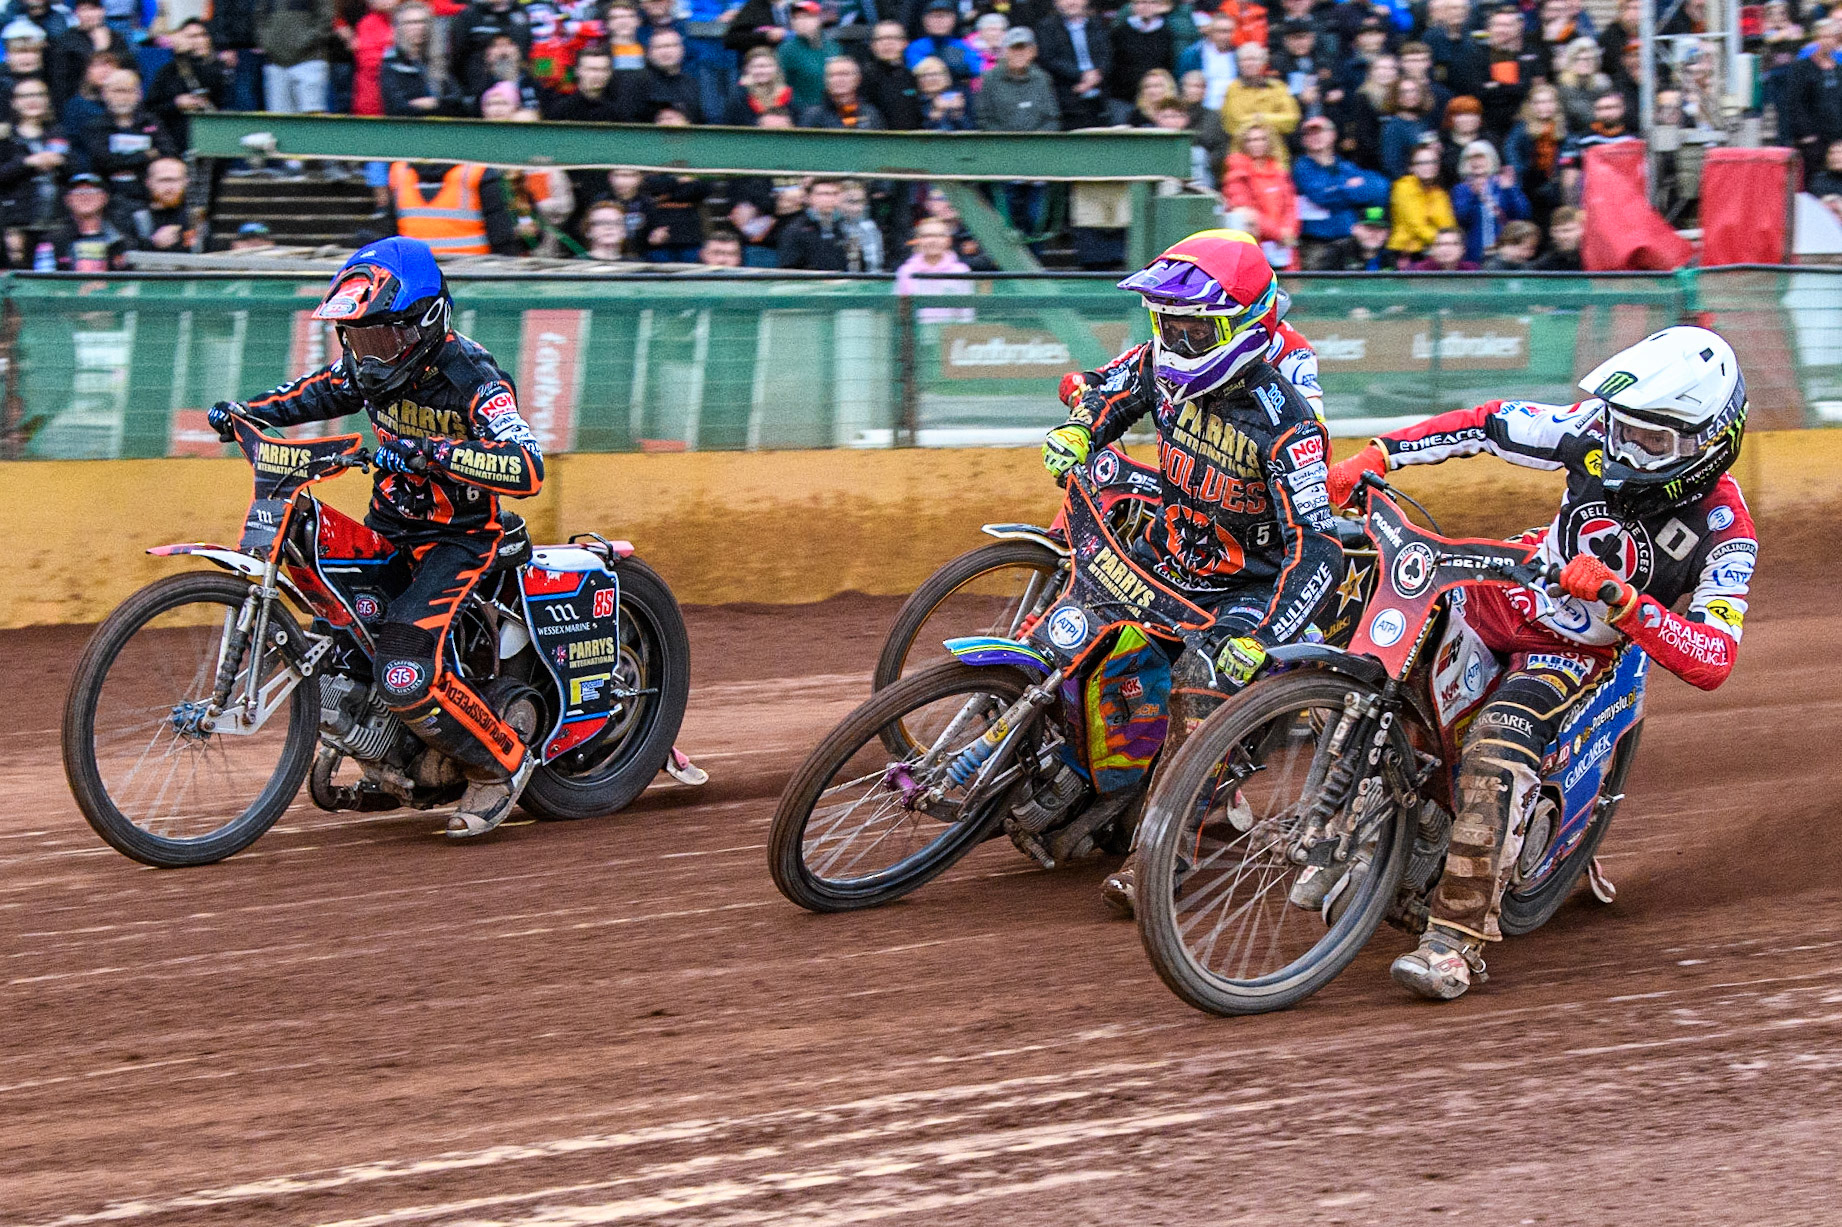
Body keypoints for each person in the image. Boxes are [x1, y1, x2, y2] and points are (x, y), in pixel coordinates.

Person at [1326, 326, 1756, 1000]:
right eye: (1625, 426)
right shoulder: (1591, 428)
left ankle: (1453, 943)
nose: (1627, 444)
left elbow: (1716, 654)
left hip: (1573, 651)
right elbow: (1486, 425)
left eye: (1651, 439)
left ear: (1707, 444)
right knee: (1381, 629)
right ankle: (1358, 808)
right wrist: (1381, 453)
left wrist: (1626, 602)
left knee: (1499, 746)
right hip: (1507, 588)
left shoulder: (1726, 530)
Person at [1041, 229, 1339, 916]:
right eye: (1167, 322)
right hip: (1168, 555)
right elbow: (1112, 393)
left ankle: (1160, 856)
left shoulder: (1284, 422)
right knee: (1075, 634)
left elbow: (1317, 545)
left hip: (1247, 590)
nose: (1174, 338)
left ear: (1238, 329)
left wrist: (1264, 634)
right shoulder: (1161, 361)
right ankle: (1076, 776)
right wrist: (1083, 429)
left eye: (1192, 328)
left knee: (1202, 690)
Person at [207, 239, 546, 838]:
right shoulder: (366, 367)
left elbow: (527, 466)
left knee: (403, 669)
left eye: (381, 338)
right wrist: (243, 411)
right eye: (357, 338)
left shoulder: (474, 377)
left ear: (425, 323)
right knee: (337, 642)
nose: (368, 353)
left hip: (459, 539)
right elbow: (307, 395)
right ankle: (393, 754)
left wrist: (441, 453)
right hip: (390, 529)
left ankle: (500, 765)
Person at [1292, 114, 1388, 266]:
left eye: (1319, 131)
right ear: (1303, 140)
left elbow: (1380, 188)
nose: (1314, 137)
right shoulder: (1302, 167)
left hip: (1349, 244)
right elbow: (1322, 195)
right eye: (1309, 133)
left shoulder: (1345, 166)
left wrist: (1338, 189)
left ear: (1332, 135)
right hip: (1316, 246)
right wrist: (1352, 189)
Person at [77, 69, 177, 204]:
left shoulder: (151, 123)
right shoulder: (95, 126)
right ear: (105, 94)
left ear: (139, 94)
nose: (123, 97)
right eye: (117, 91)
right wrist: (146, 155)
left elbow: (168, 152)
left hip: (148, 194)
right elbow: (103, 161)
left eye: (129, 91)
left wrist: (122, 160)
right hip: (108, 196)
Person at [1222, 120, 1297, 268]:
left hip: (1284, 247)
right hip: (1256, 245)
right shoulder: (1237, 173)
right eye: (1251, 140)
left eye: (1262, 139)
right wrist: (1279, 234)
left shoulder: (1279, 171)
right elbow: (1244, 209)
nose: (1256, 144)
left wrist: (1289, 230)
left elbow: (1291, 205)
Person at [147, 18, 227, 150]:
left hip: (212, 136)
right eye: (192, 37)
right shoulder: (168, 71)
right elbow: (152, 107)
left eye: (203, 35)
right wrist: (176, 104)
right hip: (176, 137)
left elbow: (213, 84)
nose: (199, 41)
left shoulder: (220, 68)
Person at [1450, 139, 1529, 263]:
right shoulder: (1462, 189)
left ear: (1491, 159)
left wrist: (1509, 190)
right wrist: (1474, 196)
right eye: (1471, 158)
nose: (1476, 162)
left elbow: (1522, 214)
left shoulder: (1503, 183)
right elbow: (1461, 219)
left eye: (1481, 157)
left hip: (1505, 252)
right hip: (1474, 253)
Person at [1035, 0, 1112, 128]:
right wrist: (1082, 76)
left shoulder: (1098, 24)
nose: (1071, 2)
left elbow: (1106, 54)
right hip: (1066, 96)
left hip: (1100, 93)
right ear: (1056, 3)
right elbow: (1049, 59)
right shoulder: (1046, 27)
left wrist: (1096, 75)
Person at [1785, 18, 1842, 181]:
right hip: (1812, 138)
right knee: (1812, 180)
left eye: (1831, 37)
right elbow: (1795, 103)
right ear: (1817, 39)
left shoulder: (1839, 69)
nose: (1827, 41)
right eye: (1823, 36)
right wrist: (1805, 133)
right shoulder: (1802, 68)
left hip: (1836, 136)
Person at [257, 0, 335, 116]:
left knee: (312, 121)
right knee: (280, 122)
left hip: (310, 61)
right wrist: (269, 42)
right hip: (276, 64)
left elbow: (325, 18)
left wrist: (304, 41)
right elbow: (259, 16)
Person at [892, 214, 974, 322]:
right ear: (918, 240)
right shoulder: (906, 271)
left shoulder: (962, 271)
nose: (933, 240)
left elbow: (967, 314)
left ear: (948, 240)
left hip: (950, 335)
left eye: (939, 235)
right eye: (927, 236)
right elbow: (899, 314)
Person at [1220, 41, 1297, 146]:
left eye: (1254, 59)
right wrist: (1270, 119)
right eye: (1245, 60)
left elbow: (1291, 120)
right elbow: (1234, 124)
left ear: (1263, 62)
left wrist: (1260, 117)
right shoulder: (1232, 89)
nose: (1249, 63)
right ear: (1238, 64)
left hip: (1275, 151)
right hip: (1242, 150)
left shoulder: (1278, 87)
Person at [46, 170, 128, 268]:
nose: (85, 196)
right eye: (78, 192)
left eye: (92, 191)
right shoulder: (52, 241)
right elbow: (42, 280)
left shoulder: (121, 241)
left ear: (104, 198)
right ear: (68, 199)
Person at [1388, 140, 1455, 259]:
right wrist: (1446, 243)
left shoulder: (1439, 193)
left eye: (1432, 162)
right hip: (1406, 253)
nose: (1428, 167)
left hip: (1435, 250)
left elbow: (1448, 225)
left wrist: (1449, 242)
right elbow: (1417, 226)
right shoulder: (1403, 187)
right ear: (1412, 167)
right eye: (1421, 163)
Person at [776, 176, 851, 269]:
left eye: (835, 193)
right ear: (808, 197)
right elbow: (789, 269)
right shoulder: (795, 231)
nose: (830, 199)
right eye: (823, 194)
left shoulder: (847, 227)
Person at [777, 0, 839, 113]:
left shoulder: (833, 46)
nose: (801, 22)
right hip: (802, 112)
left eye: (807, 17)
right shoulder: (786, 50)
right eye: (796, 18)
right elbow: (780, 86)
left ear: (818, 19)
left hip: (833, 110)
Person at [119, 154, 189, 250]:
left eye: (176, 180)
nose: (170, 187)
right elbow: (121, 252)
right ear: (148, 182)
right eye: (163, 180)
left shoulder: (195, 217)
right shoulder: (132, 215)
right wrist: (152, 243)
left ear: (186, 182)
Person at [862, 20, 922, 129]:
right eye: (881, 39)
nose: (887, 43)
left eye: (894, 38)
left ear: (905, 43)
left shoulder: (915, 76)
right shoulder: (863, 78)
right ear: (872, 45)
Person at [1109, 0, 1171, 103]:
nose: (1146, 6)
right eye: (1141, 2)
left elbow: (1168, 64)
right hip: (1124, 98)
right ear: (1133, 6)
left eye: (1151, 2)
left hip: (1156, 98)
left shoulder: (1166, 33)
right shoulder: (1120, 32)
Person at [800, 54, 883, 127]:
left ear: (858, 79)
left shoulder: (870, 114)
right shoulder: (813, 116)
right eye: (832, 75)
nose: (838, 79)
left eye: (844, 74)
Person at [1319, 203, 1393, 269]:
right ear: (1354, 229)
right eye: (1368, 228)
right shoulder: (1337, 252)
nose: (1373, 233)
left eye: (1379, 230)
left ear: (1388, 233)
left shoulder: (1393, 255)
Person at [1530, 202, 1582, 268]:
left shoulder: (1595, 258)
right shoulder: (1544, 265)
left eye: (1567, 230)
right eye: (1556, 231)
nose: (1561, 236)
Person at [1407, 223, 1476, 269]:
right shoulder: (1418, 271)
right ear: (1432, 249)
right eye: (1439, 244)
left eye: (1451, 244)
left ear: (1463, 249)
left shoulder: (1472, 271)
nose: (1444, 249)